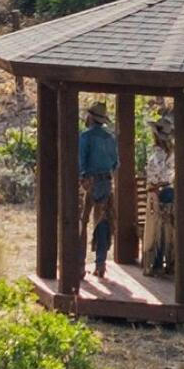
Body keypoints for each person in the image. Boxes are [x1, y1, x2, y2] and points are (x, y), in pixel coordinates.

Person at [77, 109, 119, 275]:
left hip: (90, 181)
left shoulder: (85, 136)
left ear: (91, 118)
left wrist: (83, 178)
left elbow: (81, 160)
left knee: (83, 222)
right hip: (106, 182)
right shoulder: (110, 137)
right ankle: (100, 264)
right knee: (103, 222)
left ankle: (80, 265)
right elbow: (116, 163)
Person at [142, 129, 175, 278]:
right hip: (171, 191)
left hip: (157, 193)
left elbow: (154, 178)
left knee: (157, 230)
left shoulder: (157, 156)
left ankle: (155, 264)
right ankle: (170, 263)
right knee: (168, 229)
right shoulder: (173, 154)